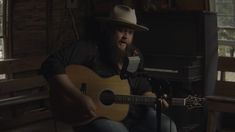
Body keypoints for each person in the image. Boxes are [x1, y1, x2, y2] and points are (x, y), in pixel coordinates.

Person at [41, 4, 177, 132]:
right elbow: (51, 63)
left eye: (130, 32)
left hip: (133, 115)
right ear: (109, 29)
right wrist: (79, 97)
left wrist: (151, 99)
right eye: (121, 30)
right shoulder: (90, 49)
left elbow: (142, 85)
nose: (125, 37)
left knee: (168, 127)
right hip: (94, 115)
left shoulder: (135, 55)